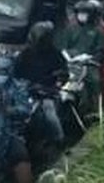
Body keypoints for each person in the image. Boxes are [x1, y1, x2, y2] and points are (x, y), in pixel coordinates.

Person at [15, 20, 69, 150]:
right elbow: (15, 72)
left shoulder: (55, 54)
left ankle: (60, 140)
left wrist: (57, 83)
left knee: (50, 115)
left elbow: (64, 73)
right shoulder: (25, 54)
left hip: (46, 92)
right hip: (25, 90)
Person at [57, 0, 104, 102]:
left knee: (95, 81)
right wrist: (67, 56)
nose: (81, 16)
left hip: (88, 65)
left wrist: (89, 58)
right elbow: (62, 46)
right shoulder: (70, 28)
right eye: (80, 13)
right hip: (68, 63)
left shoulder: (98, 31)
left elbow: (101, 51)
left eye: (84, 13)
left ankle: (94, 105)